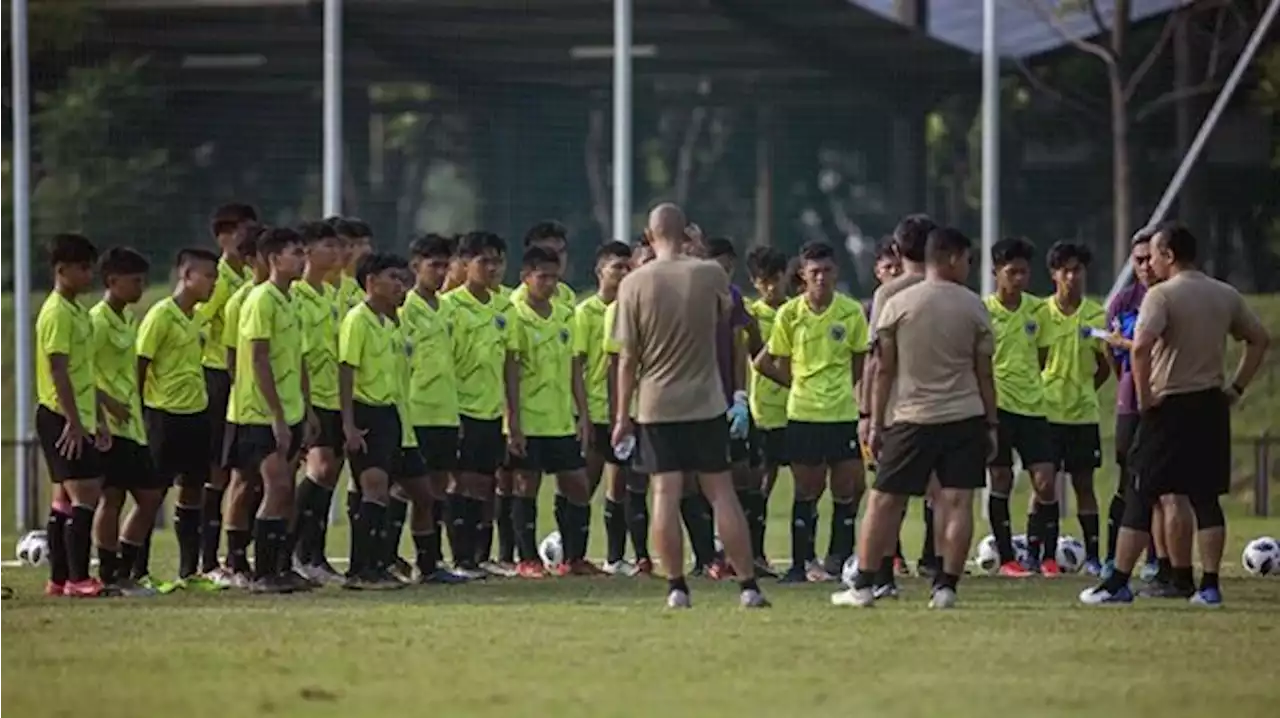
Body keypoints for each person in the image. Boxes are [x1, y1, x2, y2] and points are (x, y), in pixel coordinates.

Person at [1081, 222, 1269, 607]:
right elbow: (1259, 338)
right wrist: (1235, 388)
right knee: (1203, 497)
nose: (1149, 263)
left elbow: (1141, 348)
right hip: (1211, 405)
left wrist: (1147, 397)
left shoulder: (1161, 296)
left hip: (1169, 406)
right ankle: (1209, 585)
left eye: (1153, 255)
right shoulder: (1225, 293)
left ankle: (1117, 582)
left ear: (1168, 255)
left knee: (1140, 491)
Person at [611, 202, 768, 609]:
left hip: (657, 404)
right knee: (721, 492)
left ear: (648, 235)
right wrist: (698, 254)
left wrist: (620, 416)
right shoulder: (710, 274)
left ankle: (677, 587)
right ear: (687, 234)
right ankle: (748, 585)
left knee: (665, 491)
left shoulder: (634, 284)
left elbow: (627, 358)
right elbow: (725, 313)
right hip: (706, 400)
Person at [834, 226, 996, 610]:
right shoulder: (974, 306)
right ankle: (945, 587)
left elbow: (883, 370)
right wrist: (992, 424)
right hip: (965, 415)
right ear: (952, 258)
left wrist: (873, 420)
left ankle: (865, 585)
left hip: (912, 418)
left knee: (883, 501)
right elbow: (984, 373)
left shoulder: (897, 304)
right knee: (956, 502)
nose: (969, 268)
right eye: (968, 260)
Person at [756, 241, 869, 585]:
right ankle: (800, 564)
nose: (821, 278)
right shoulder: (789, 314)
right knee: (807, 489)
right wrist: (803, 386)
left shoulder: (851, 313)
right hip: (804, 413)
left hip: (841, 413)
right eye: (814, 272)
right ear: (802, 275)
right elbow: (774, 362)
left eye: (827, 271)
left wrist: (843, 395)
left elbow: (859, 363)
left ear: (836, 273)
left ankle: (840, 561)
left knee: (847, 486)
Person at [222, 227, 313, 594]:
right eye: (295, 253)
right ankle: (259, 571)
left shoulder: (291, 300)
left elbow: (298, 359)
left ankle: (278, 566)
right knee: (273, 486)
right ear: (274, 259)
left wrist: (304, 411)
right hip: (257, 414)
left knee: (284, 489)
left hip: (290, 411)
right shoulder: (260, 300)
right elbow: (258, 360)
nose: (302, 258)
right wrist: (277, 415)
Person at [505, 246, 598, 577]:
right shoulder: (514, 314)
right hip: (529, 418)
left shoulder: (563, 315)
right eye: (542, 276)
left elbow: (574, 369)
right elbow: (511, 369)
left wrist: (583, 414)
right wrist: (513, 420)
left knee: (577, 484)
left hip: (560, 419)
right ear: (525, 277)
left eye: (554, 277)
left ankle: (575, 558)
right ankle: (527, 559)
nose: (549, 283)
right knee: (525, 485)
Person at [136, 247, 220, 590]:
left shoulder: (197, 317)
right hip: (163, 416)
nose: (214, 283)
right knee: (152, 495)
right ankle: (136, 571)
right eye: (209, 276)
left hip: (195, 415)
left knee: (192, 491)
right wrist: (141, 414)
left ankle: (189, 573)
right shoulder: (160, 316)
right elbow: (140, 364)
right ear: (186, 276)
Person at [861, 214, 936, 589]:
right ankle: (942, 575)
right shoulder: (954, 289)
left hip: (898, 410)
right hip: (949, 407)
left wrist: (868, 415)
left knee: (890, 497)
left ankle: (883, 576)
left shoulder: (888, 294)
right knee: (946, 494)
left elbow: (877, 363)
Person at [36, 233, 109, 598]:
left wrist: (98, 417)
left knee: (65, 500)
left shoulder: (78, 311)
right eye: (83, 268)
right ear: (61, 270)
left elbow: (84, 372)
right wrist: (74, 422)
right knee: (86, 495)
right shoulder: (56, 313)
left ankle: (59, 579)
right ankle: (79, 579)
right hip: (60, 416)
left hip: (77, 414)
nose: (89, 275)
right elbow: (58, 370)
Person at [89, 247, 163, 596]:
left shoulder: (130, 320)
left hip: (133, 424)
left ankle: (125, 567)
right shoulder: (96, 321)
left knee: (150, 497)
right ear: (112, 281)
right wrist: (104, 406)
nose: (141, 287)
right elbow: (80, 372)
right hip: (108, 426)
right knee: (112, 498)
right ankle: (109, 573)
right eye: (135, 281)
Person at [983, 238, 1058, 577]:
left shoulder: (1038, 310)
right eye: (1012, 272)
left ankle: (1040, 551)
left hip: (1033, 407)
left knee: (1045, 481)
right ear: (996, 272)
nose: (1019, 278)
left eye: (1024, 272)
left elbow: (1041, 357)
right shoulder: (983, 311)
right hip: (998, 409)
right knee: (1000, 478)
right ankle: (1008, 558)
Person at [340, 252, 414, 590]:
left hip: (389, 414)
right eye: (393, 278)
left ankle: (377, 565)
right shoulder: (358, 319)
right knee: (372, 489)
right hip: (365, 410)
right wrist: (349, 425)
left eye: (401, 279)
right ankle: (360, 570)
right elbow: (345, 371)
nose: (400, 285)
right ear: (371, 282)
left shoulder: (391, 322)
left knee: (383, 492)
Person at [400, 234, 470, 584]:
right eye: (434, 265)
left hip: (445, 411)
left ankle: (429, 564)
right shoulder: (404, 309)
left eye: (445, 265)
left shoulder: (446, 308)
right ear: (416, 267)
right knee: (409, 489)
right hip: (415, 412)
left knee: (439, 488)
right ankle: (384, 558)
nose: (441, 272)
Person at [195, 203, 259, 581]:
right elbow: (197, 323)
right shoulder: (218, 280)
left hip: (242, 380)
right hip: (219, 377)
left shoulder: (248, 279)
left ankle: (236, 554)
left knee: (246, 471)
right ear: (221, 237)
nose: (244, 239)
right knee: (217, 472)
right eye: (238, 232)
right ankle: (208, 561)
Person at [442, 231, 512, 579]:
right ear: (464, 264)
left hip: (492, 411)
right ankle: (461, 558)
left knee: (485, 484)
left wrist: (510, 413)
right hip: (460, 409)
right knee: (462, 483)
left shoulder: (504, 306)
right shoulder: (450, 307)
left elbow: (509, 364)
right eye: (484, 260)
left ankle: (478, 558)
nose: (492, 268)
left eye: (498, 261)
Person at [1040, 241, 1110, 575]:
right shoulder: (1040, 314)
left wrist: (1085, 390)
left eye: (1077, 269)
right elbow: (1037, 361)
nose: (1072, 276)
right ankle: (1045, 555)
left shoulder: (1097, 314)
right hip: (1048, 414)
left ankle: (1094, 556)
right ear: (1054, 274)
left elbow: (1105, 366)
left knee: (1084, 485)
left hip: (1083, 415)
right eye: (1065, 269)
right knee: (1044, 484)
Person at [1102, 229, 1163, 585]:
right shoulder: (1124, 301)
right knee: (1127, 479)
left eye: (1148, 258)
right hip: (1131, 400)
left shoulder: (1170, 298)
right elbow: (1111, 351)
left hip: (1165, 398)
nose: (1143, 266)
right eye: (1137, 260)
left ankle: (1157, 559)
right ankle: (1113, 556)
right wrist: (1125, 376)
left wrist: (1128, 344)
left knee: (1161, 483)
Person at [575, 240, 640, 575]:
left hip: (623, 411)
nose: (624, 272)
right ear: (600, 271)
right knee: (586, 483)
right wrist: (582, 414)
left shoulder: (633, 309)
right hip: (596, 411)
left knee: (620, 486)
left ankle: (615, 558)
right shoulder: (586, 312)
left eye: (628, 267)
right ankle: (572, 552)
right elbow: (577, 366)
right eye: (617, 266)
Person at [291, 220, 347, 584]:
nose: (337, 254)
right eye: (329, 246)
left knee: (330, 475)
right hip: (309, 398)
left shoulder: (329, 296)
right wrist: (306, 405)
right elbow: (297, 355)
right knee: (319, 469)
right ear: (308, 251)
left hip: (335, 396)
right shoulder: (296, 295)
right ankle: (294, 551)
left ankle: (315, 553)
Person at [217, 228, 270, 589]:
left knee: (269, 484)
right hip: (248, 408)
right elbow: (233, 356)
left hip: (278, 407)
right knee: (243, 480)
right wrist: (245, 391)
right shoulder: (241, 300)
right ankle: (234, 558)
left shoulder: (283, 297)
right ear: (252, 259)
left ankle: (265, 555)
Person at [602, 238, 656, 574]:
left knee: (667, 483)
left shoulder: (673, 303)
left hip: (665, 407)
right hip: (636, 408)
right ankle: (633, 556)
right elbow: (615, 364)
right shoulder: (621, 308)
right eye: (645, 261)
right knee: (628, 482)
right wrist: (618, 413)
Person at [744, 245, 791, 575]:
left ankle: (806, 557)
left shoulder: (797, 311)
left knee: (808, 483)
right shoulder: (751, 315)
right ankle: (754, 553)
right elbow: (757, 359)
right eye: (765, 281)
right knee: (762, 482)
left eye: (777, 279)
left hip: (800, 410)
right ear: (755, 282)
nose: (773, 287)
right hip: (763, 409)